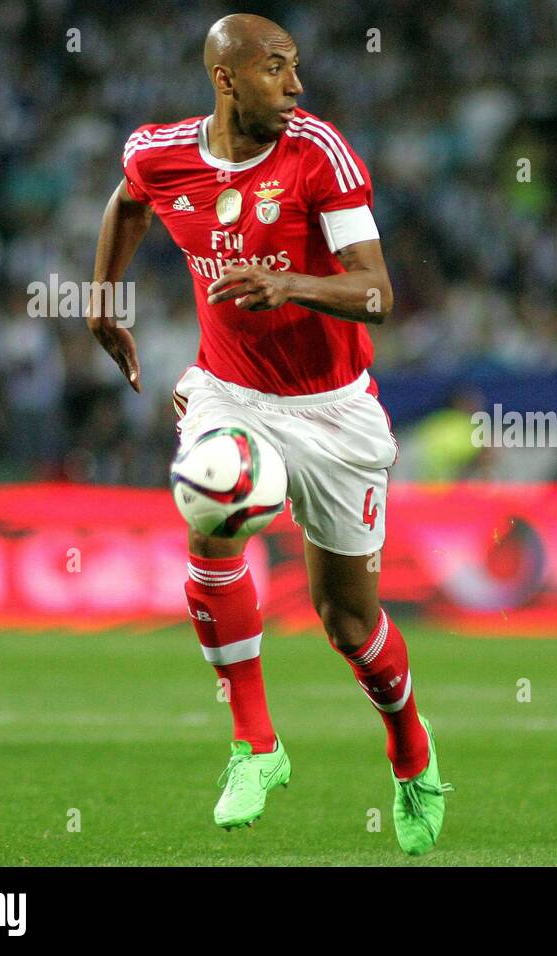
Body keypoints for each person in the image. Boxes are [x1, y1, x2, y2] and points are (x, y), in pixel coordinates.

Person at [86, 13, 450, 855]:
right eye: (279, 69)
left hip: (334, 409)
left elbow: (378, 293)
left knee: (349, 624)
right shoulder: (161, 151)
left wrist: (289, 281)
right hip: (228, 391)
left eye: (297, 69)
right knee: (209, 505)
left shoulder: (317, 152)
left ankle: (411, 750)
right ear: (228, 78)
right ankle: (255, 744)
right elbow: (129, 201)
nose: (297, 86)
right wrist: (104, 298)